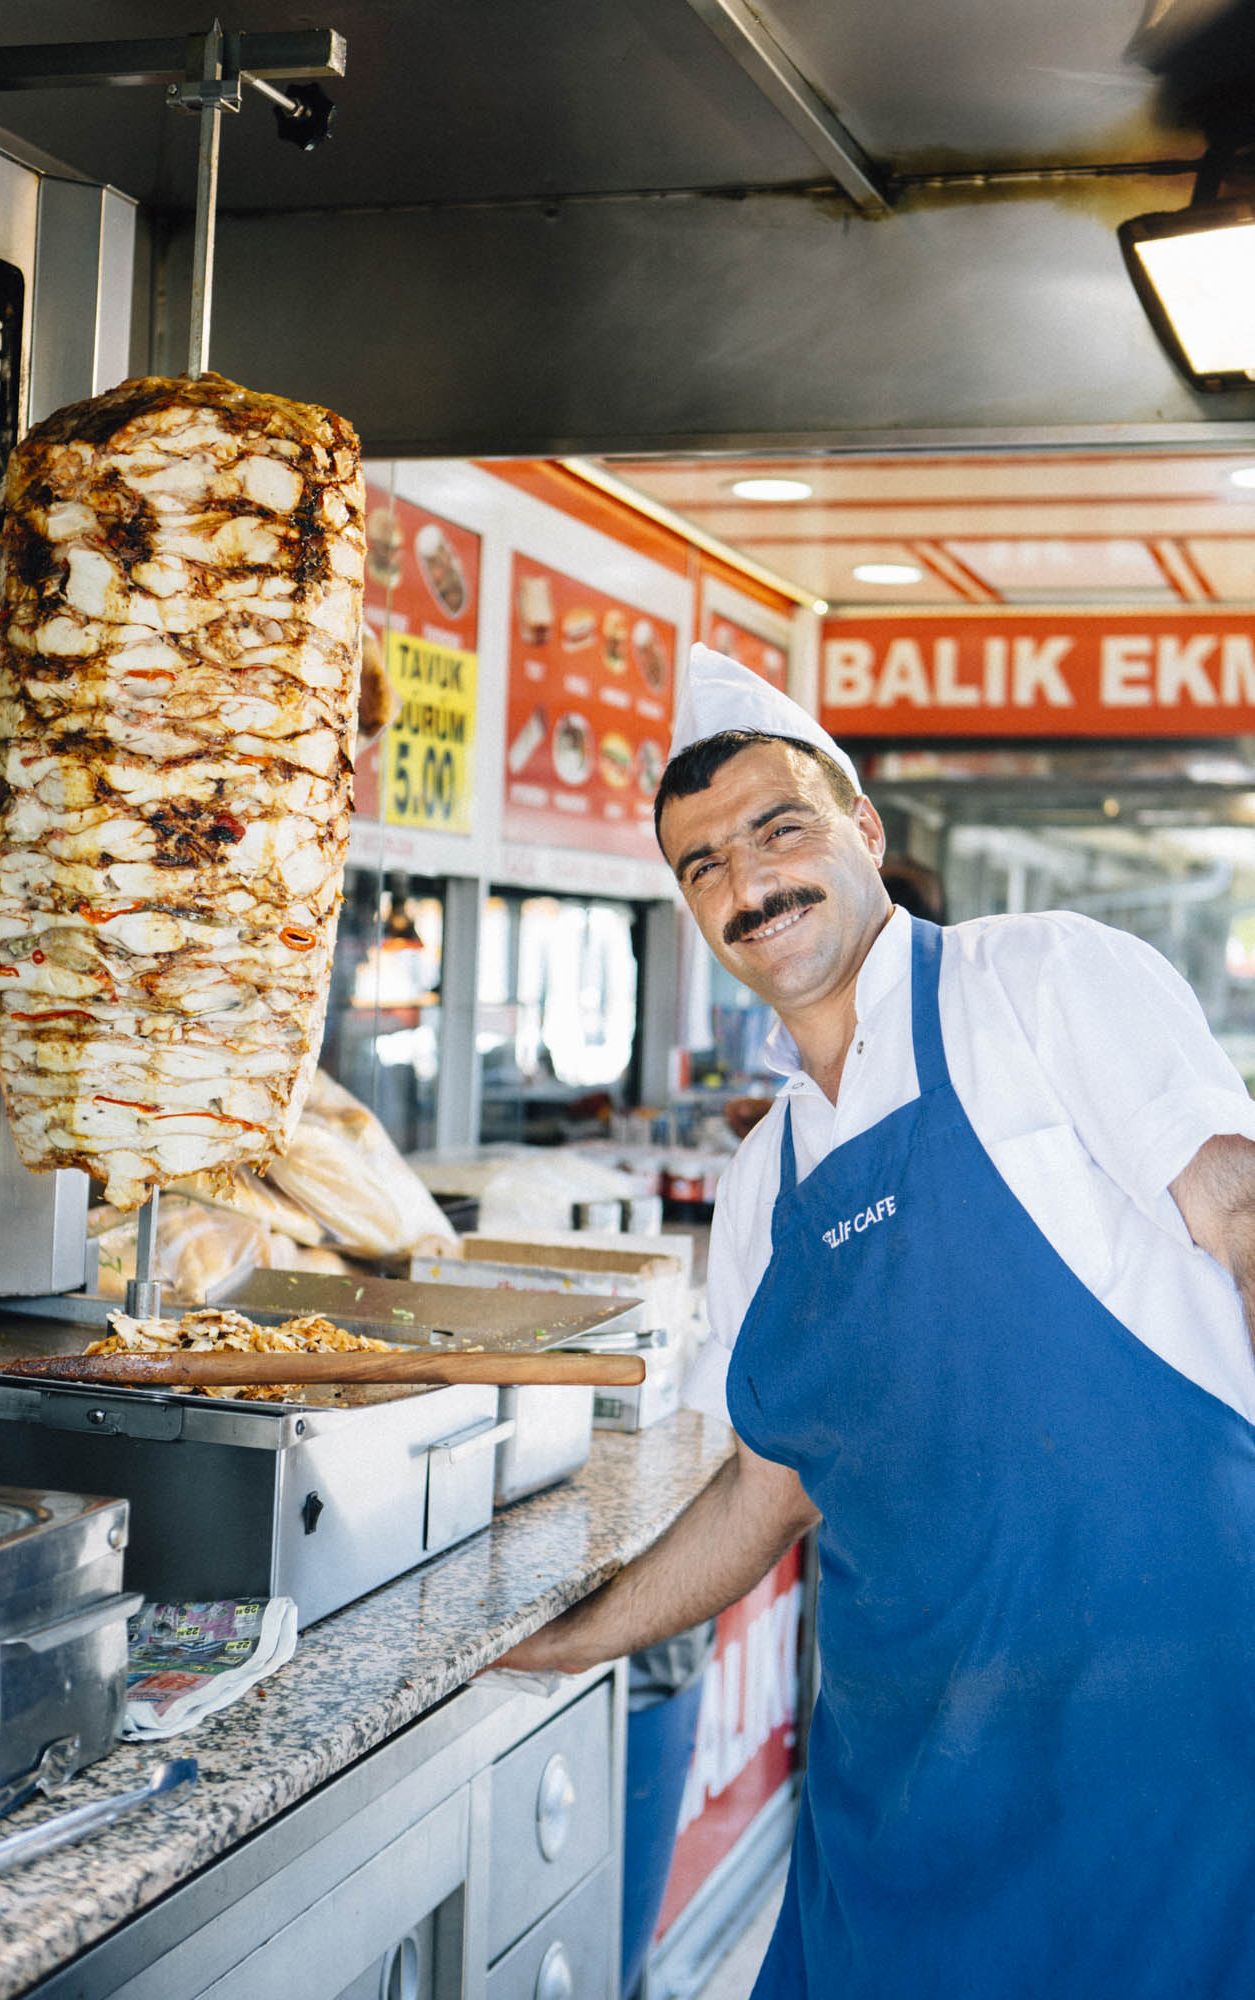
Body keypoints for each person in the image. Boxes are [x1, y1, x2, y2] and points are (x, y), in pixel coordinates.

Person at [497, 643, 1255, 1998]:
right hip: (904, 1764)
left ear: (860, 830)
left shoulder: (1034, 981)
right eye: (702, 867)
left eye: (776, 830)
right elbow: (765, 1495)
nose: (748, 885)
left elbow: (1243, 1217)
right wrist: (566, 1638)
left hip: (1169, 1721)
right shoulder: (760, 1181)